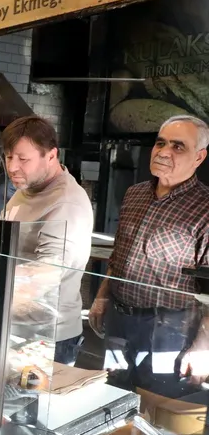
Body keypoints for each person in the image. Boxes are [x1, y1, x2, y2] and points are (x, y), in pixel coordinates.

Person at [89, 115, 209, 398]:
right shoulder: (135, 194)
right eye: (160, 143)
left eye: (178, 146)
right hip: (120, 318)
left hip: (172, 329)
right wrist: (102, 297)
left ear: (199, 157)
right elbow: (119, 256)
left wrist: (204, 345)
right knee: (112, 397)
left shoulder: (205, 208)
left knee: (159, 404)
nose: (164, 152)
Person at [0, 116, 94, 365]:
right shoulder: (27, 189)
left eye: (23, 159)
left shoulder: (67, 202)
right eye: (9, 157)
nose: (12, 167)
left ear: (51, 156)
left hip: (46, 337)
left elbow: (49, 270)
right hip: (14, 324)